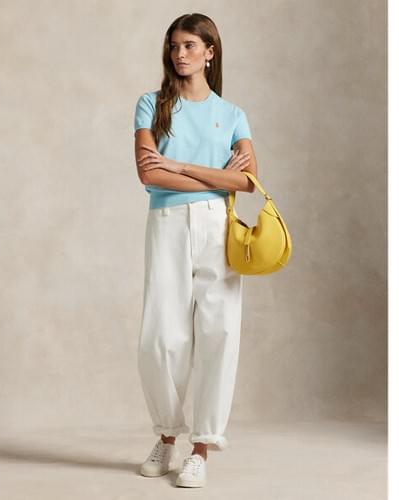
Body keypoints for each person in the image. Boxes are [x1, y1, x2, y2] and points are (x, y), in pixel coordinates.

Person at [133, 12, 257, 488]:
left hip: (217, 226)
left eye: (189, 45)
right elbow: (149, 173)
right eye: (174, 46)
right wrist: (216, 175)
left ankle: (201, 448)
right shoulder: (152, 105)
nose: (179, 54)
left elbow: (248, 181)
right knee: (161, 336)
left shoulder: (233, 114)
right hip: (167, 223)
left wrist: (180, 166)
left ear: (210, 52)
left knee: (218, 331)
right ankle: (167, 435)